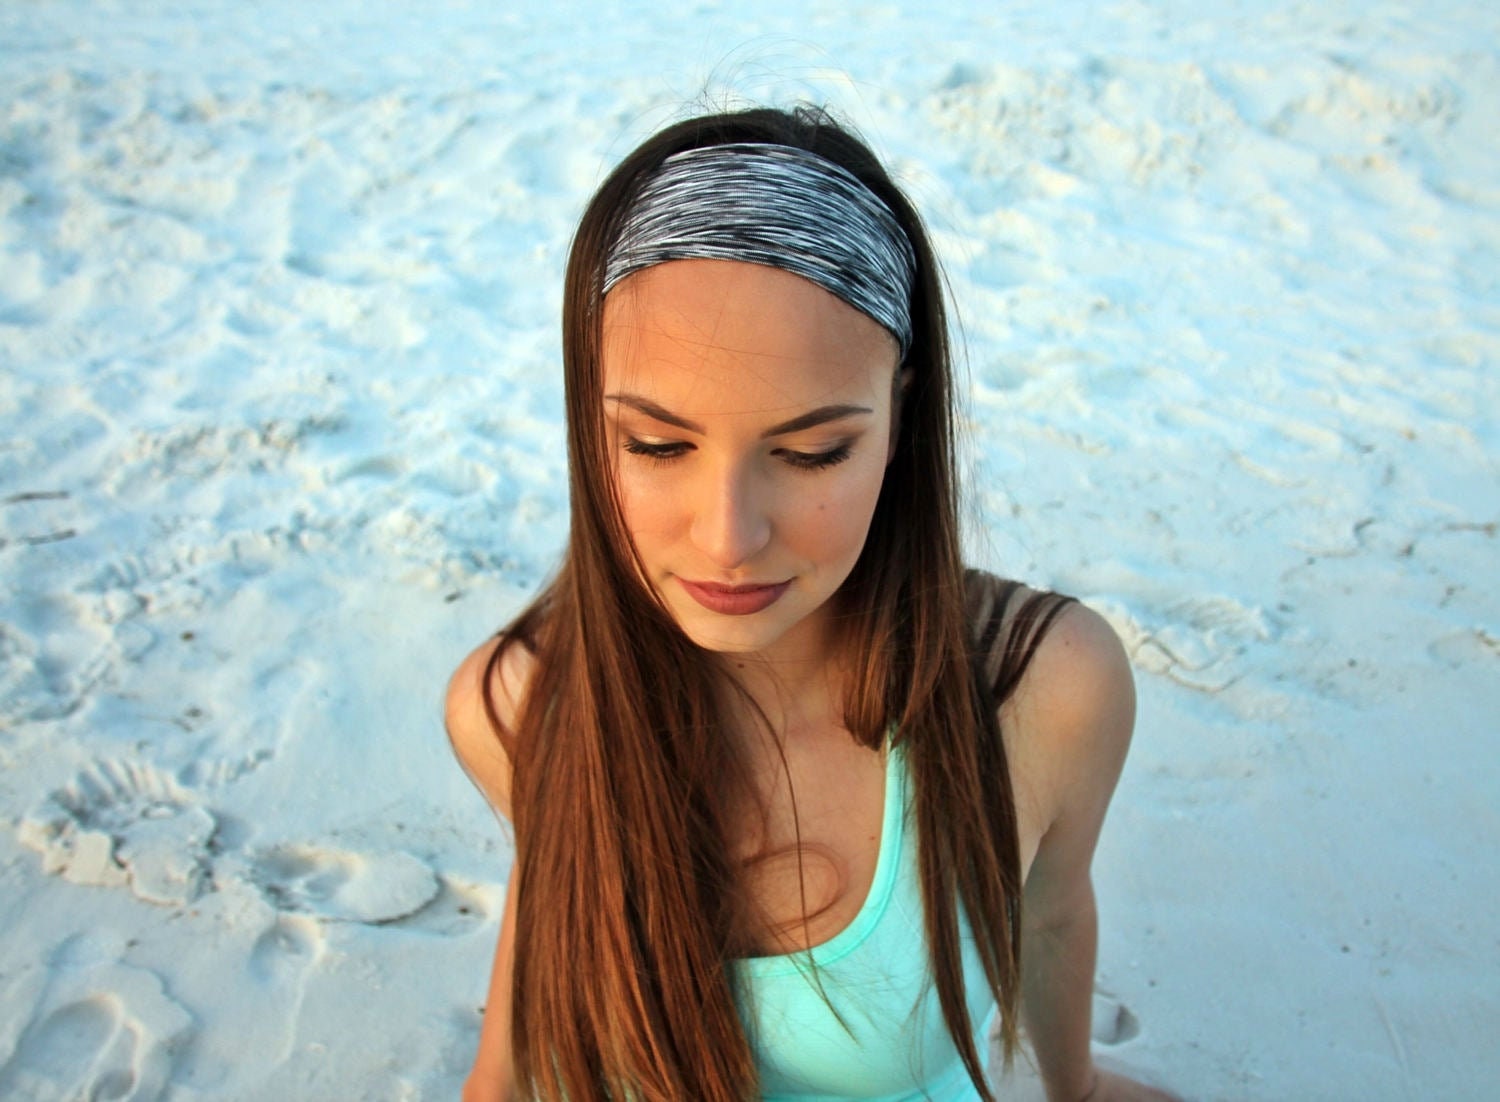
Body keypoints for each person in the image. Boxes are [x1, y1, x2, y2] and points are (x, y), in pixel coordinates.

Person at [445, 105, 1177, 1102]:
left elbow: (1050, 913)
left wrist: (1077, 1087)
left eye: (811, 452)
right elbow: (546, 921)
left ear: (901, 417)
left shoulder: (1041, 692)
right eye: (657, 444)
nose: (728, 537)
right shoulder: (518, 704)